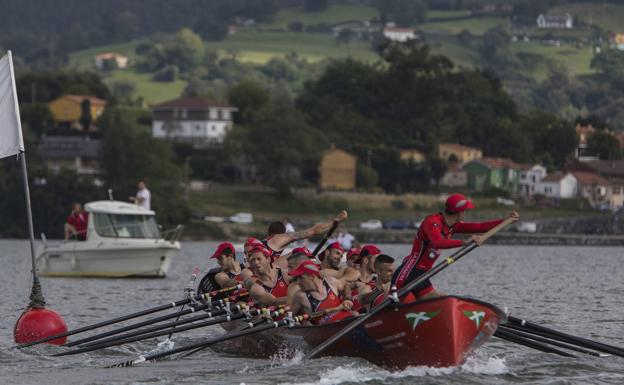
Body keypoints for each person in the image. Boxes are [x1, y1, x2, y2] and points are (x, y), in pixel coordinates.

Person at [392, 193, 519, 300]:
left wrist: (505, 221)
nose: (465, 213)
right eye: (465, 210)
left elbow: (480, 227)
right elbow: (438, 242)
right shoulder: (431, 222)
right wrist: (464, 243)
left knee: (441, 301)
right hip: (408, 273)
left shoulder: (454, 225)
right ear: (460, 212)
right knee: (394, 305)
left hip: (423, 274)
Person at [262, 210, 348, 260]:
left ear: (268, 232)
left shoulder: (263, 243)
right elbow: (312, 231)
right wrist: (336, 220)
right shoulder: (280, 238)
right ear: (283, 233)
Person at [288, 260, 354, 324]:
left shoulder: (330, 282)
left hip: (350, 321)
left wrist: (347, 299)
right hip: (329, 331)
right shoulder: (300, 296)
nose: (298, 282)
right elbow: (289, 318)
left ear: (311, 276)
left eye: (301, 278)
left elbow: (346, 285)